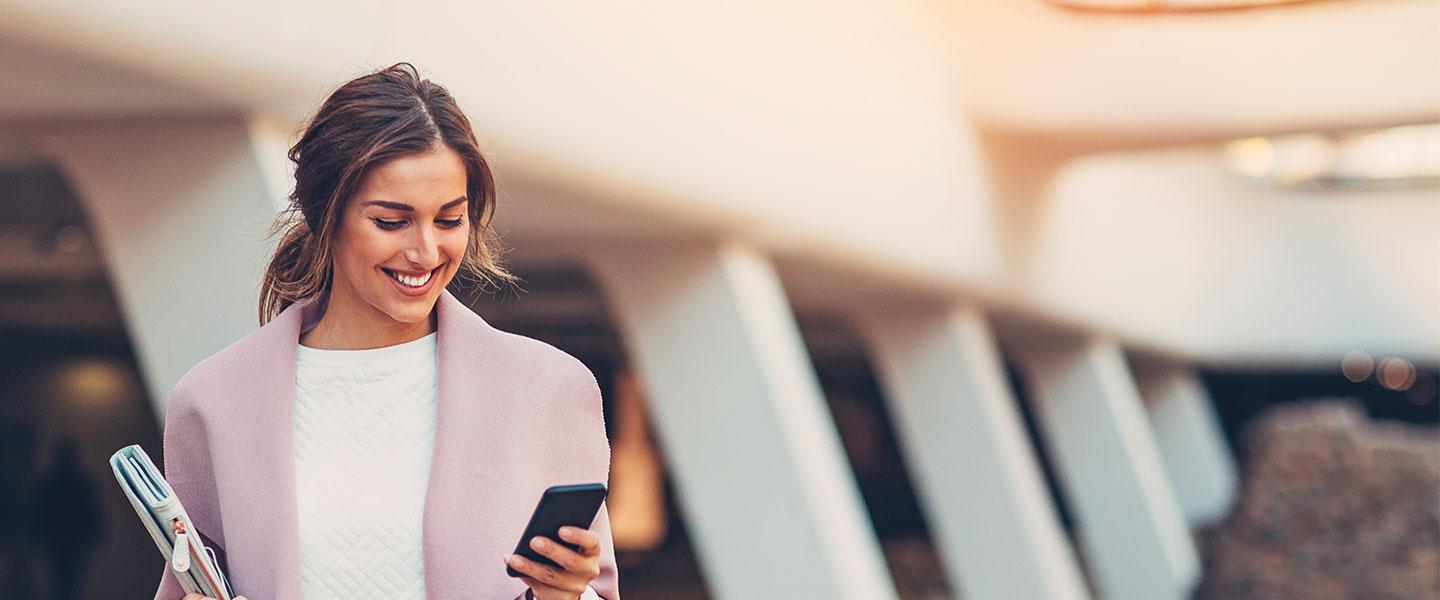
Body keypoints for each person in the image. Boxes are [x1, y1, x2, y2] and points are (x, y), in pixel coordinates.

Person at [157, 62, 619, 600]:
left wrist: (563, 594)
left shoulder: (549, 389)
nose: (425, 251)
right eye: (391, 221)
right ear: (325, 214)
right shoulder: (213, 401)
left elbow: (597, 592)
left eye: (449, 220)